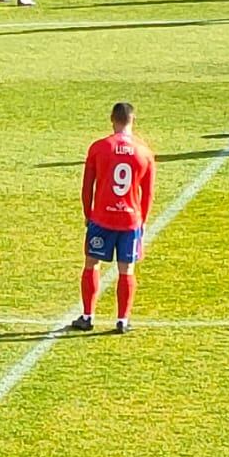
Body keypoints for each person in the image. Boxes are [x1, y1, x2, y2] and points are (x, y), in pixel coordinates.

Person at [72, 101, 155, 334]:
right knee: (126, 270)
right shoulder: (145, 151)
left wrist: (88, 214)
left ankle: (88, 316)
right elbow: (148, 192)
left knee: (92, 263)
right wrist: (143, 220)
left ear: (112, 119)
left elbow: (87, 185)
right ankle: (122, 320)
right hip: (130, 221)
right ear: (133, 120)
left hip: (102, 219)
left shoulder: (99, 147)